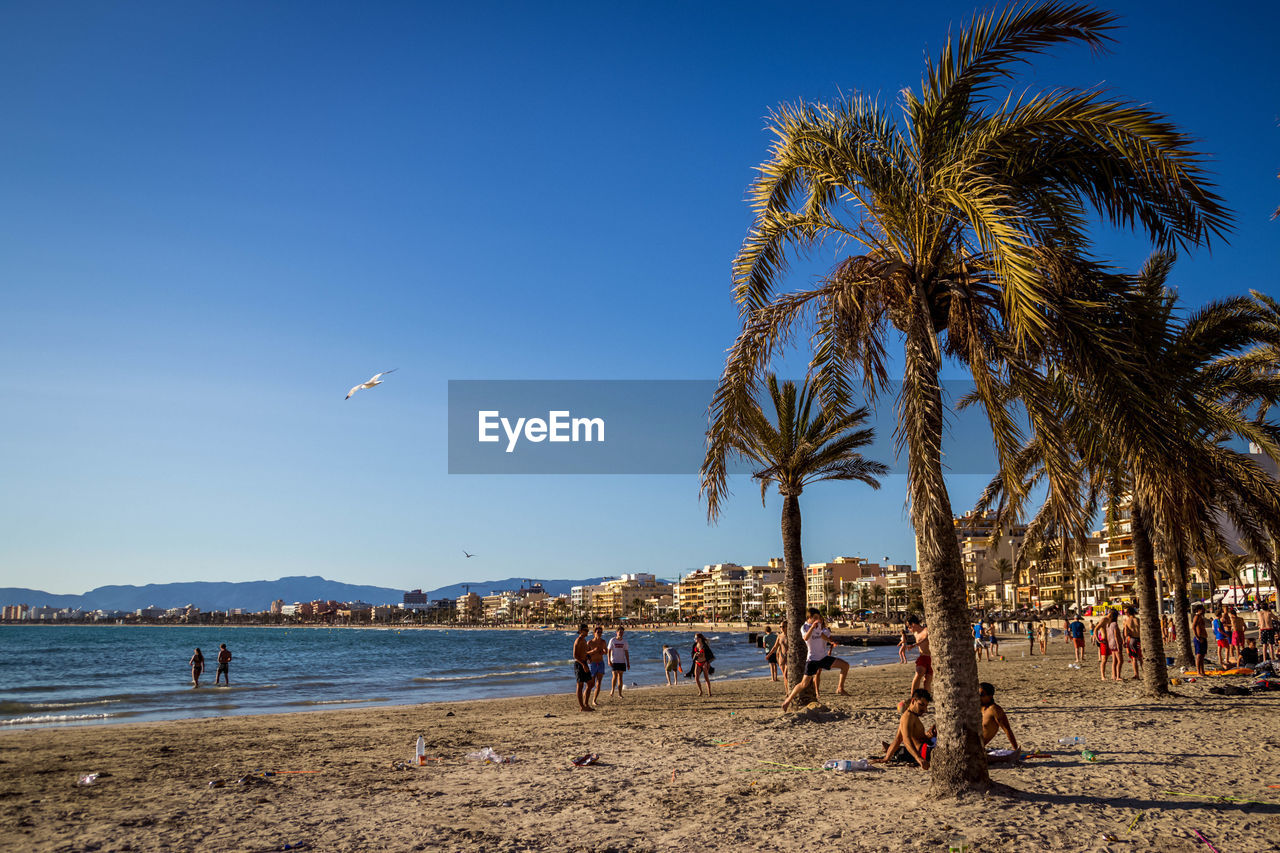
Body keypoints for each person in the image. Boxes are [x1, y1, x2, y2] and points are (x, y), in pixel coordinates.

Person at [780, 610, 850, 711]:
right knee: (803, 684)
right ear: (810, 617)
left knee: (845, 665)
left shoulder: (818, 626)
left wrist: (831, 641)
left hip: (823, 658)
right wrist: (812, 627)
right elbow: (805, 637)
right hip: (812, 660)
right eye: (816, 617)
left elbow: (822, 636)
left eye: (818, 617)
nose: (818, 619)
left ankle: (840, 688)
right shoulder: (805, 627)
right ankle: (787, 700)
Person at [872, 688, 934, 770]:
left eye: (926, 705)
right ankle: (898, 751)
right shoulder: (907, 718)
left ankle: (894, 750)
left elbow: (898, 739)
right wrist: (919, 759)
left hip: (924, 748)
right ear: (913, 701)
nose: (925, 710)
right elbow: (906, 740)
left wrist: (886, 758)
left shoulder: (913, 715)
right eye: (921, 705)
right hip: (924, 751)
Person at [978, 682, 1019, 751]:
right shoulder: (977, 708)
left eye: (982, 695)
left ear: (990, 696)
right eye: (977, 694)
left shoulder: (995, 710)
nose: (979, 697)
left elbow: (1007, 730)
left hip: (977, 748)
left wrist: (1016, 749)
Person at [905, 615, 932, 700]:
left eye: (909, 627)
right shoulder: (915, 633)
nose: (909, 629)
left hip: (931, 658)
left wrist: (914, 645)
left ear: (913, 624)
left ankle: (925, 699)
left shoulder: (926, 630)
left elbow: (925, 639)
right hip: (922, 657)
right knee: (919, 673)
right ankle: (913, 696)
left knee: (927, 681)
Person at [571, 624, 594, 712]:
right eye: (585, 630)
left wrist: (588, 657)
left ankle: (586, 704)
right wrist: (583, 664)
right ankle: (582, 706)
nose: (587, 632)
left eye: (588, 630)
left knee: (591, 683)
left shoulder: (584, 640)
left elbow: (585, 652)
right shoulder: (578, 641)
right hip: (579, 664)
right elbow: (575, 655)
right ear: (580, 631)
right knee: (580, 685)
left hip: (584, 663)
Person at [585, 626, 608, 706]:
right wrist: (593, 651)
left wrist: (603, 652)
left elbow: (606, 651)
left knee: (599, 683)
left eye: (601, 632)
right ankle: (585, 697)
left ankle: (594, 700)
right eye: (598, 632)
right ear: (594, 633)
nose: (599, 634)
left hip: (600, 663)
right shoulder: (590, 642)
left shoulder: (603, 642)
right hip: (592, 664)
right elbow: (585, 653)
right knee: (591, 684)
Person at [606, 627, 630, 698]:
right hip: (614, 661)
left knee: (620, 677)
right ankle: (612, 690)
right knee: (614, 676)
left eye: (622, 632)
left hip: (622, 661)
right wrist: (609, 660)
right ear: (616, 632)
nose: (621, 633)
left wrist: (628, 663)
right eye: (619, 632)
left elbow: (626, 652)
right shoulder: (612, 640)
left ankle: (620, 693)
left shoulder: (624, 642)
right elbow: (609, 650)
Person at [1122, 606, 1143, 679]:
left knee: (1134, 658)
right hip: (1140, 639)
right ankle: (1145, 673)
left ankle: (1136, 675)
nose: (1125, 614)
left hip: (1132, 640)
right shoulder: (1138, 620)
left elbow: (1125, 633)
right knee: (1140, 658)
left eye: (1125, 612)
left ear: (1128, 613)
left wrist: (1124, 641)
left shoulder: (1126, 621)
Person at [1191, 604, 1209, 676]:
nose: (1204, 610)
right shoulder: (1197, 617)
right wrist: (1197, 637)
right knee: (1198, 656)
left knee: (1202, 656)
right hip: (1199, 638)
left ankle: (1202, 671)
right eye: (1202, 609)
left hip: (1203, 637)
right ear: (1198, 610)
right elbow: (1193, 627)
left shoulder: (1201, 617)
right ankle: (1198, 672)